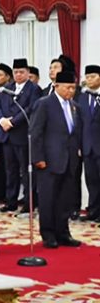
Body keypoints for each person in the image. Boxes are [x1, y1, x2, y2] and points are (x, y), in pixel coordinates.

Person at [30, 71, 82, 248]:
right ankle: (48, 234)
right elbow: (35, 132)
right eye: (67, 87)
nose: (71, 91)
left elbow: (74, 133)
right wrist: (38, 157)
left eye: (73, 88)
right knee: (48, 199)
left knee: (65, 199)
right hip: (49, 160)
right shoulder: (44, 104)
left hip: (69, 160)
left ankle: (63, 233)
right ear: (56, 86)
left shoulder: (74, 106)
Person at [0, 59, 42, 213]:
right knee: (10, 170)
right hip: (7, 135)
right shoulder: (7, 88)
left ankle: (28, 203)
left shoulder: (34, 89)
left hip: (23, 135)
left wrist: (12, 122)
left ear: (28, 73)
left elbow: (30, 109)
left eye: (21, 72)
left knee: (26, 171)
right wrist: (2, 120)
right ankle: (11, 201)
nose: (18, 75)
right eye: (15, 72)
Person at [77, 65, 100, 223]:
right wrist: (79, 145)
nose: (89, 79)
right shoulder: (83, 97)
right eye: (87, 77)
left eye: (93, 76)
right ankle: (93, 210)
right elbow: (79, 122)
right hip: (87, 146)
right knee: (91, 181)